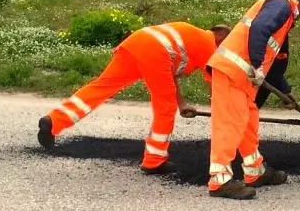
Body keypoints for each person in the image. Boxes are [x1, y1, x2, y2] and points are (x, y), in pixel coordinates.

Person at [36, 22, 232, 175]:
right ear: (221, 38)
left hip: (134, 44)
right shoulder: (208, 44)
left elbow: (170, 76)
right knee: (165, 107)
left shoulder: (190, 36)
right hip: (154, 52)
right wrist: (228, 113)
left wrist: (182, 104)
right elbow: (216, 84)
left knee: (101, 86)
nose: (225, 53)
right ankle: (154, 161)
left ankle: (53, 121)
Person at [205, 0, 300, 200]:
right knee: (230, 125)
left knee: (248, 122)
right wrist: (257, 65)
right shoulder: (282, 5)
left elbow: (277, 62)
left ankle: (255, 171)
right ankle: (219, 182)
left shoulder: (285, 18)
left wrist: (285, 91)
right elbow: (259, 28)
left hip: (243, 78)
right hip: (232, 72)